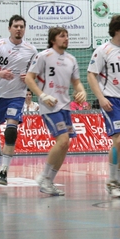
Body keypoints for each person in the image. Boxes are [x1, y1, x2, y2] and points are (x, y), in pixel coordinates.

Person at [25, 27, 88, 196]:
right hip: (50, 106)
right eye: (62, 36)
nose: (66, 38)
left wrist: (82, 92)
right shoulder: (43, 56)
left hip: (65, 106)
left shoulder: (71, 59)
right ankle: (44, 176)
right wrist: (42, 95)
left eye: (67, 36)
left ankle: (48, 181)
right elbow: (29, 78)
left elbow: (76, 82)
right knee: (63, 139)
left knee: (66, 144)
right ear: (53, 40)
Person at [0, 15, 38, 185]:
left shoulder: (31, 50)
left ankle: (4, 171)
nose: (19, 29)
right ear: (9, 28)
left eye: (21, 26)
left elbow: (36, 73)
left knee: (11, 131)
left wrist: (30, 77)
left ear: (24, 29)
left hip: (17, 96)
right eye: (16, 26)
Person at [87, 15, 120, 199]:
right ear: (117, 30)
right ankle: (111, 182)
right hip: (111, 100)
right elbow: (91, 75)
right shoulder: (103, 50)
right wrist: (100, 98)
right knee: (119, 140)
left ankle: (117, 182)